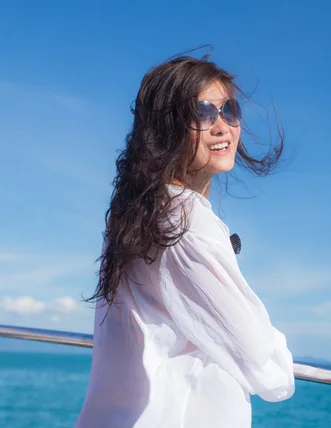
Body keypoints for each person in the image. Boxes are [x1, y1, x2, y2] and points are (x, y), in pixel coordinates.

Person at [75, 52, 295, 428]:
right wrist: (278, 355)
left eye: (230, 110)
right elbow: (265, 367)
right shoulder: (185, 220)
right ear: (166, 127)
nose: (223, 126)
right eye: (204, 112)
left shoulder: (136, 211)